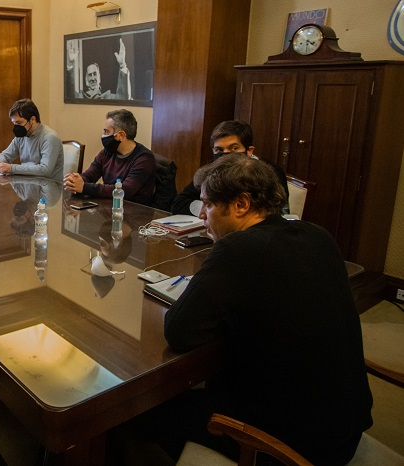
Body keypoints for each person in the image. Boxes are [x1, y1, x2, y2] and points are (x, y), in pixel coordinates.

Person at [136, 154, 373, 464]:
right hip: (347, 424)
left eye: (207, 204)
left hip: (292, 446)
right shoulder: (318, 234)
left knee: (144, 409)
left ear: (241, 204)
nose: (202, 215)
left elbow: (179, 331)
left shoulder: (237, 250)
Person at [171, 120, 289, 216]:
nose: (226, 155)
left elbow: (276, 212)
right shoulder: (212, 170)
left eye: (234, 149)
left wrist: (217, 210)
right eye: (219, 150)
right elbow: (179, 203)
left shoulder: (270, 172)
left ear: (249, 151)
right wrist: (212, 210)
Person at [64, 109, 156, 205]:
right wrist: (76, 181)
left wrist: (84, 187)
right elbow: (90, 175)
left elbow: (125, 191)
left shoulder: (144, 158)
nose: (103, 136)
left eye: (106, 132)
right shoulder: (107, 153)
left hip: (135, 212)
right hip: (109, 207)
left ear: (121, 135)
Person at [0, 99, 64, 180]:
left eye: (19, 123)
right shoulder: (21, 136)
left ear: (32, 120)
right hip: (27, 184)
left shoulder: (49, 137)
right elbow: (6, 155)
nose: (16, 127)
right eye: (14, 123)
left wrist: (11, 168)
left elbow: (45, 170)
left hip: (48, 187)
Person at [67, 38, 131, 100]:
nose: (92, 78)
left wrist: (122, 65)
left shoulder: (108, 97)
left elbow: (123, 99)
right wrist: (70, 65)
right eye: (90, 75)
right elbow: (69, 95)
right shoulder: (80, 97)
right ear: (86, 80)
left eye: (95, 74)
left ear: (99, 77)